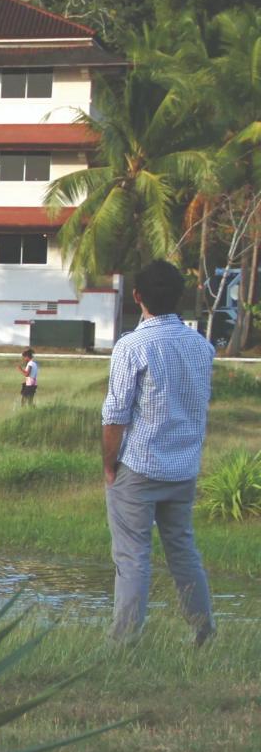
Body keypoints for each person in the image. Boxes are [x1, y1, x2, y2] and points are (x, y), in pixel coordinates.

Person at [102, 260, 216, 643]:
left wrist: (109, 467)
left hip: (139, 465)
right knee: (183, 550)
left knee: (133, 557)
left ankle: (124, 640)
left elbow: (115, 416)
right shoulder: (202, 346)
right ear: (180, 297)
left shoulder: (132, 346)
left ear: (137, 298)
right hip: (183, 466)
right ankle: (203, 631)